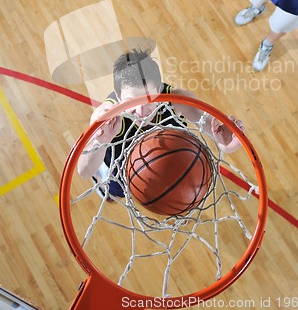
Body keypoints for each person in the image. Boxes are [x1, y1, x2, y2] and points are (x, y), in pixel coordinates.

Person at [77, 48, 244, 200]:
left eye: (149, 99)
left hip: (162, 159)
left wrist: (227, 143)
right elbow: (84, 172)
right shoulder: (107, 117)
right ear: (118, 98)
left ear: (159, 89)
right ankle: (102, 183)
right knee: (114, 194)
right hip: (120, 168)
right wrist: (100, 141)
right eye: (130, 102)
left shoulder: (177, 99)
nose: (141, 111)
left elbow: (218, 135)